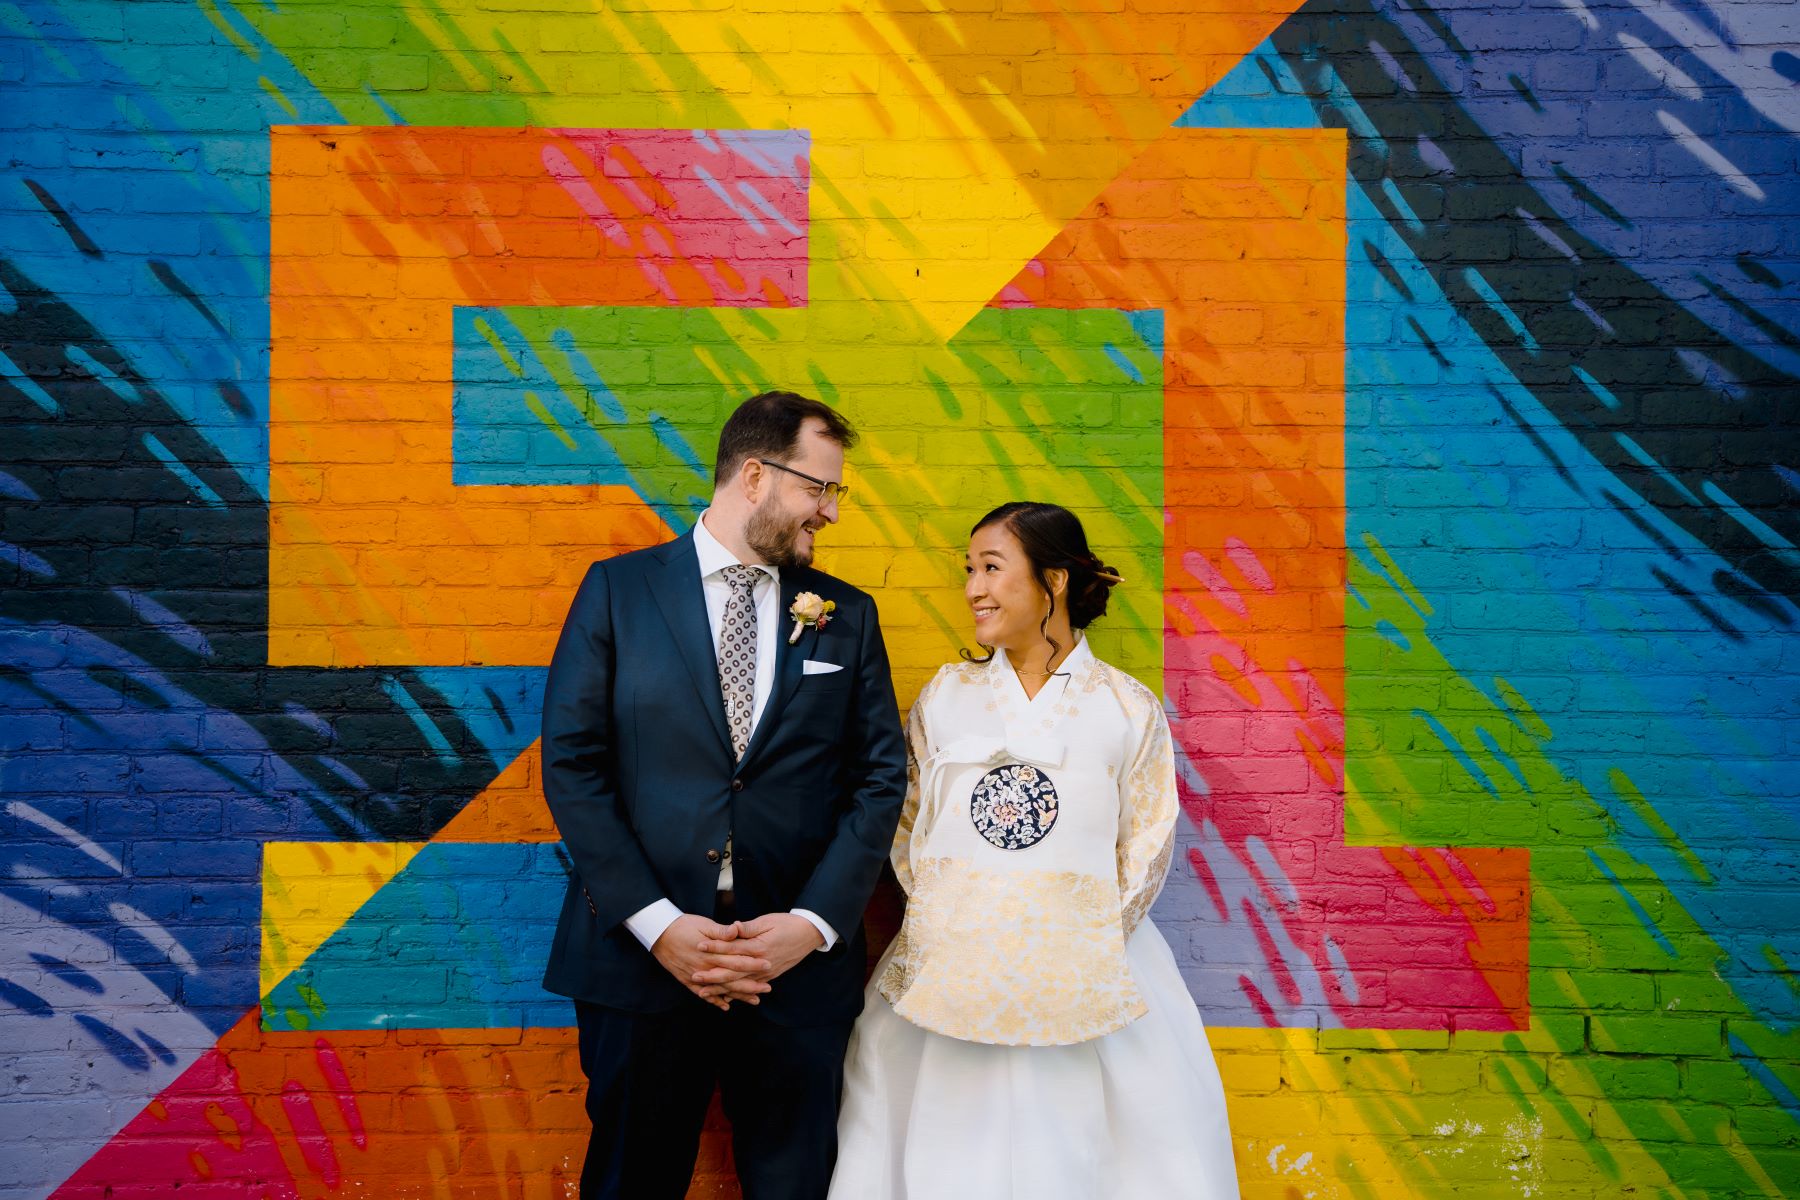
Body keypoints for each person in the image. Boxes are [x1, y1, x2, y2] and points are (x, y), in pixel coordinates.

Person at [540, 390, 909, 1200]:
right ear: (754, 475)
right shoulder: (618, 592)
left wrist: (810, 927)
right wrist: (659, 926)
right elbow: (572, 765)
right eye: (821, 488)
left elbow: (880, 779)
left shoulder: (847, 615)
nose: (830, 512)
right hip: (640, 967)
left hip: (795, 977)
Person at [829, 501, 1242, 1199]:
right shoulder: (945, 698)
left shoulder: (1126, 706)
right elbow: (908, 826)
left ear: (1052, 580)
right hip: (953, 960)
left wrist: (1079, 943)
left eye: (992, 567)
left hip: (1091, 961)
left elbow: (1146, 838)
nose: (973, 589)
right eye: (969, 570)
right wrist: (948, 918)